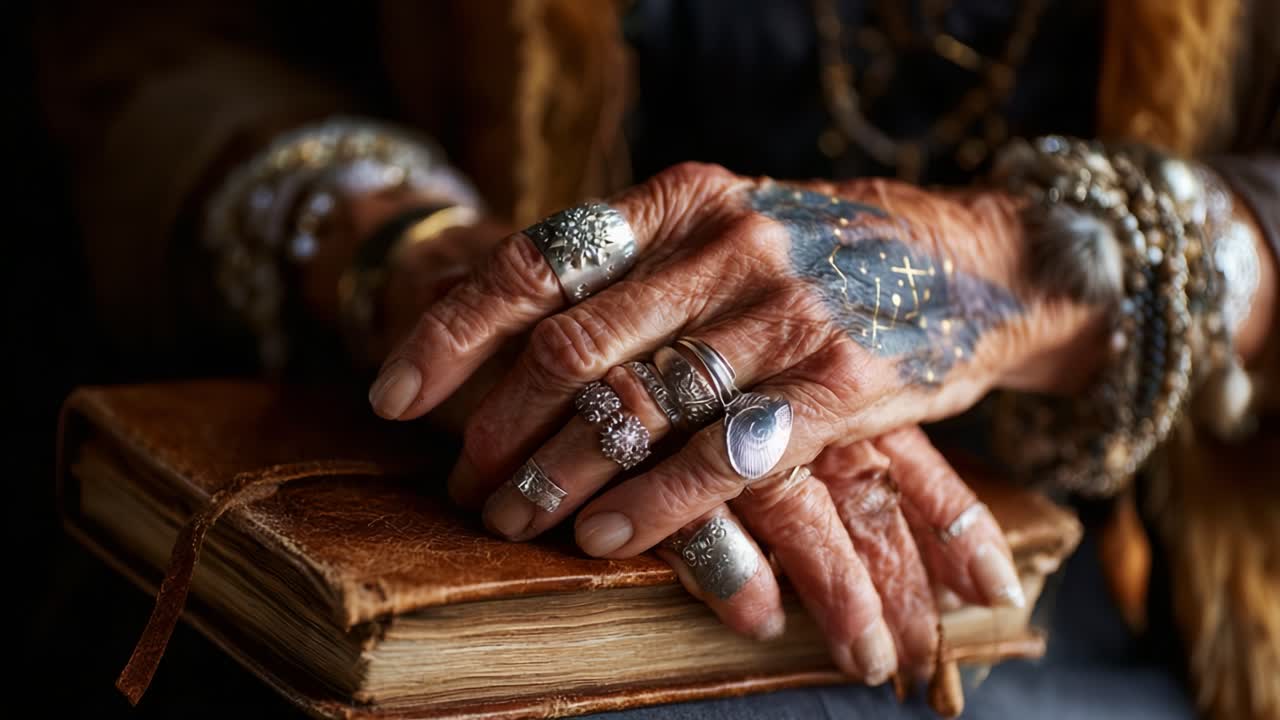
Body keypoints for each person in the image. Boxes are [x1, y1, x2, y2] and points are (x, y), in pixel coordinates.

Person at [37, 1, 1279, 718]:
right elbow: (159, 32)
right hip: (463, 487)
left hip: (1077, 597)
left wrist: (1009, 264)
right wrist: (412, 252)